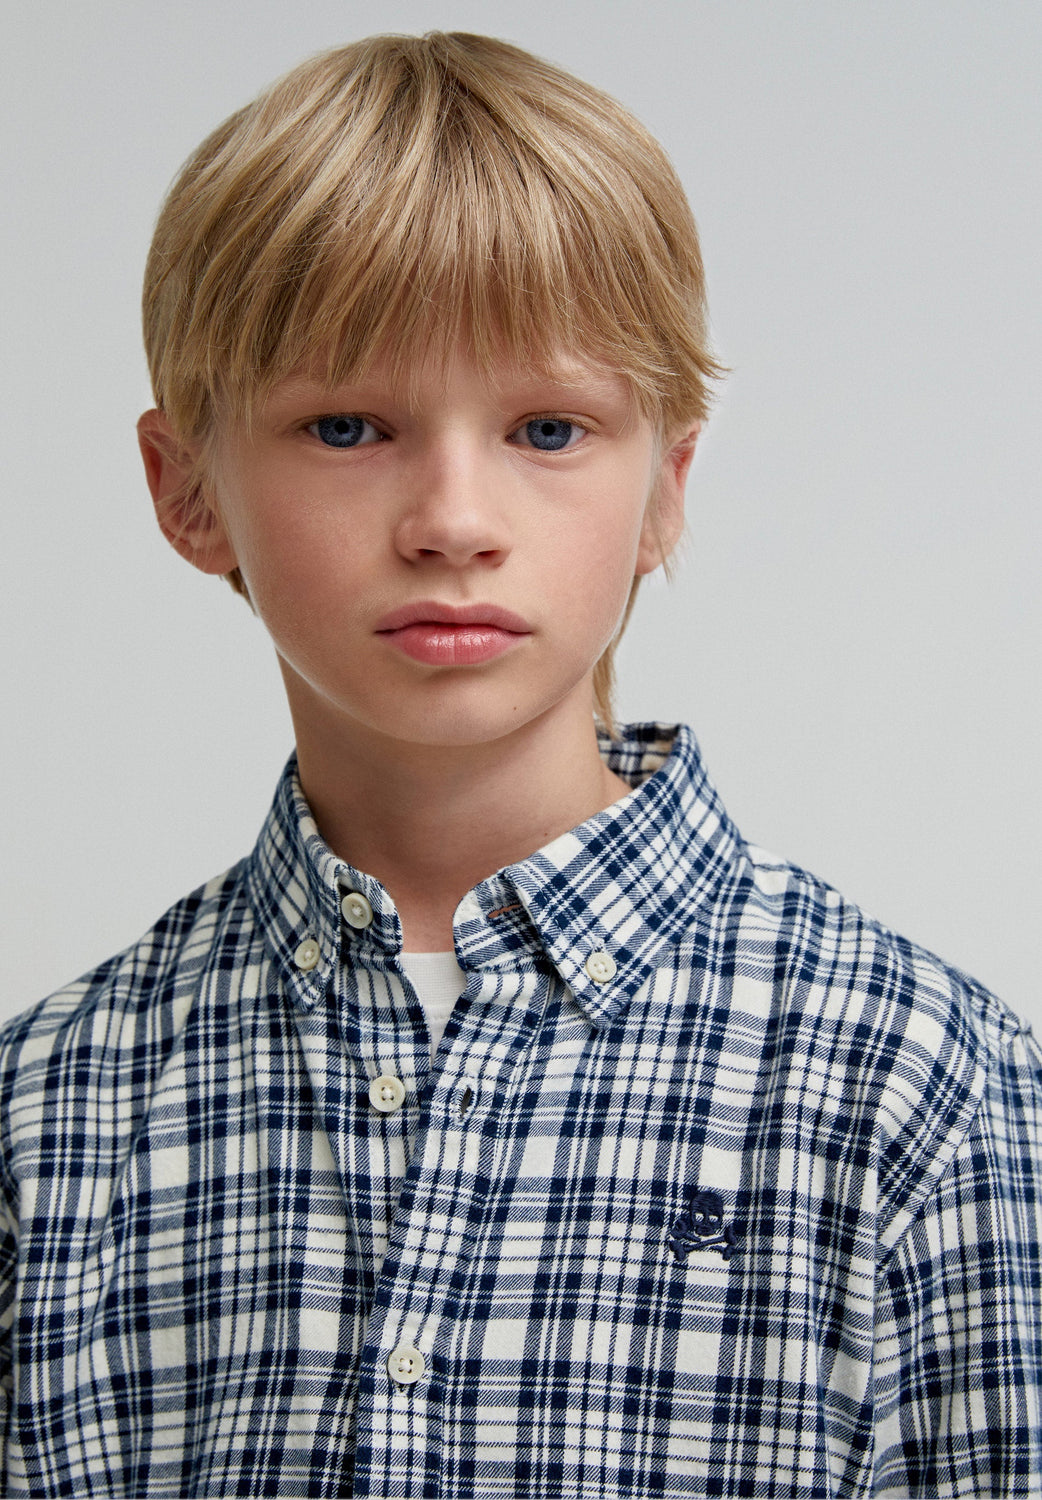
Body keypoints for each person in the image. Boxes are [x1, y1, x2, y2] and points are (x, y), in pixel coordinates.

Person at [0, 30, 1038, 1499]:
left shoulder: (922, 1087)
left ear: (665, 486)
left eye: (549, 429)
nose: (453, 521)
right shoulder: (50, 1117)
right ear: (188, 488)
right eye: (347, 426)